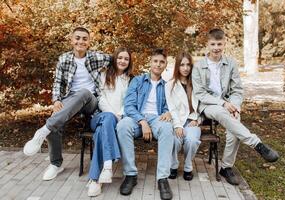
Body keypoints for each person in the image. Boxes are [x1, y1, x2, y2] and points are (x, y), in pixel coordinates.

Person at [192, 28, 279, 185]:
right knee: (222, 113)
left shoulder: (230, 63)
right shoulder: (199, 66)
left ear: (224, 43)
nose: (216, 47)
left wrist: (235, 106)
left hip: (228, 103)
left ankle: (226, 167)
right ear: (207, 44)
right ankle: (256, 143)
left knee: (234, 120)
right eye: (213, 44)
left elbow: (237, 90)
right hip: (208, 105)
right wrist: (223, 103)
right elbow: (200, 94)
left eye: (219, 44)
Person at [23, 27, 111, 181]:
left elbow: (117, 59)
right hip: (70, 99)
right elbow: (58, 82)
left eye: (85, 38)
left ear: (89, 42)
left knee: (84, 92)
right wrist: (56, 99)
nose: (81, 41)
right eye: (77, 38)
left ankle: (42, 131)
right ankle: (56, 164)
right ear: (71, 40)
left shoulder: (97, 56)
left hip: (91, 101)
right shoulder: (64, 59)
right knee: (55, 117)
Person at [116, 48, 174, 200]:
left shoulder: (167, 85)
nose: (158, 64)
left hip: (157, 119)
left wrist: (169, 112)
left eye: (162, 62)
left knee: (167, 129)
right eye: (155, 61)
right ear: (150, 62)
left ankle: (162, 178)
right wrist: (142, 121)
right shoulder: (138, 80)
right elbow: (128, 105)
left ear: (165, 65)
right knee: (122, 126)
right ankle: (130, 175)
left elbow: (171, 106)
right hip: (136, 117)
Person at [87, 47, 133, 197]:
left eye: (126, 59)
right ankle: (107, 163)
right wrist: (113, 115)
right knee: (107, 118)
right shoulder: (104, 74)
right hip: (100, 117)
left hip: (117, 120)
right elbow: (100, 99)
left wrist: (120, 115)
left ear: (129, 62)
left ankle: (96, 180)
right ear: (114, 58)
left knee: (101, 132)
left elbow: (129, 102)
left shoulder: (131, 80)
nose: (123, 61)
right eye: (120, 57)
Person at [165, 51, 201, 181]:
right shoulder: (170, 85)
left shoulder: (197, 84)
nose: (185, 68)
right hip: (177, 120)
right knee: (174, 140)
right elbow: (171, 107)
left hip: (192, 121)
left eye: (188, 65)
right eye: (182, 65)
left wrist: (198, 119)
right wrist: (177, 125)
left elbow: (203, 105)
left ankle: (188, 166)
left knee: (191, 141)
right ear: (177, 67)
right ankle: (173, 165)